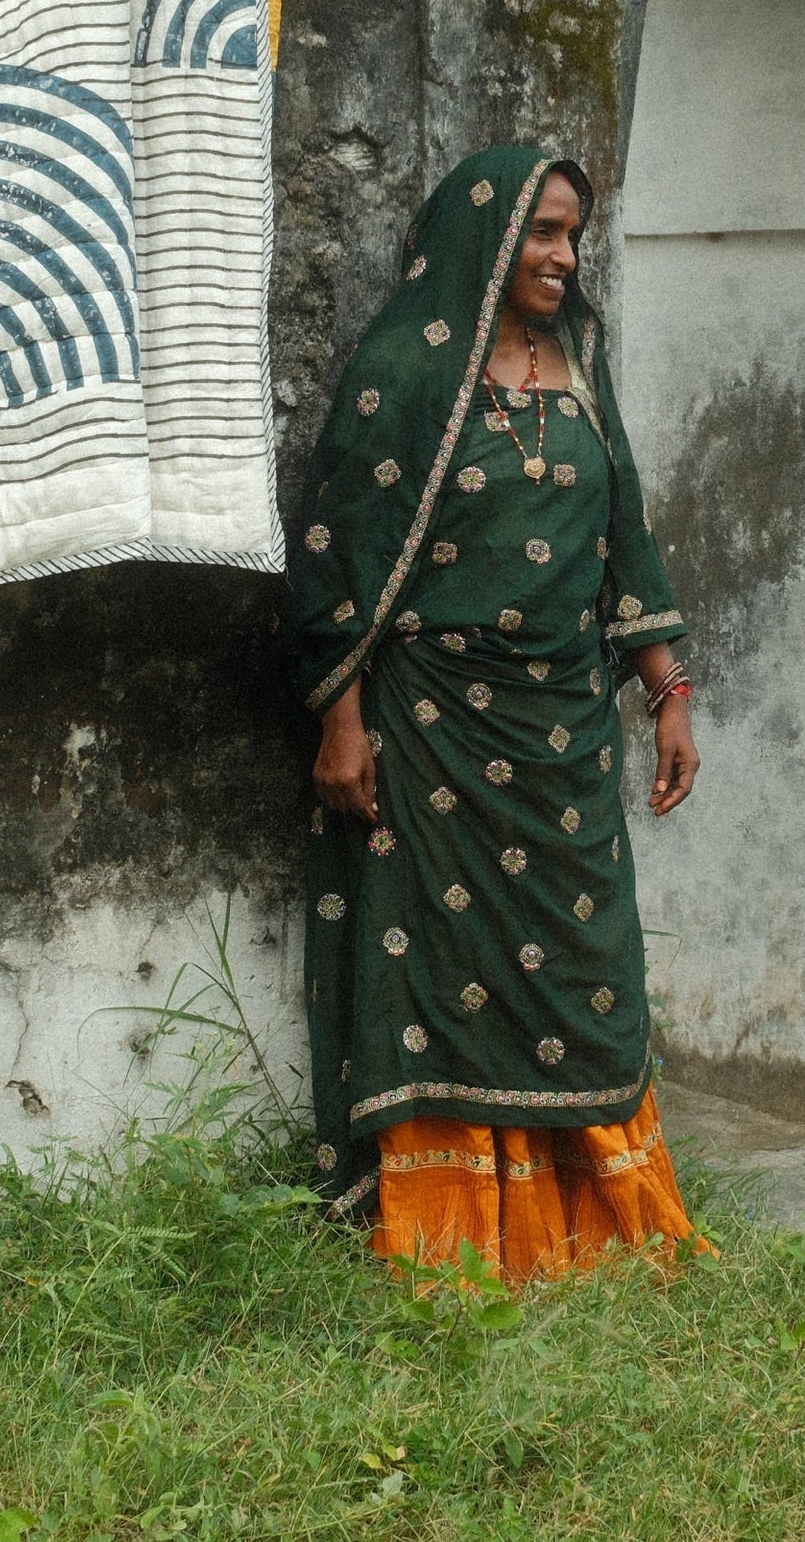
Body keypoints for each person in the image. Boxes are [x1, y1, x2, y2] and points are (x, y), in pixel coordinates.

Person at [281, 145, 704, 1279]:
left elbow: (625, 532)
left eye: (574, 236)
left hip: (564, 730)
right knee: (437, 976)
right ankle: (454, 1235)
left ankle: (599, 1224)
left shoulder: (581, 362)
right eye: (544, 232)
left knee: (586, 967)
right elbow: (337, 557)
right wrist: (342, 722)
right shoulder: (405, 372)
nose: (564, 256)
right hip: (431, 732)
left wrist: (666, 692)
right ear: (489, 235)